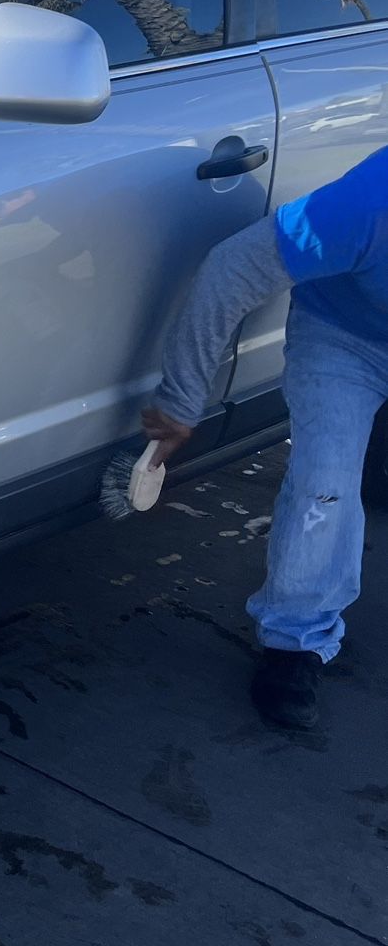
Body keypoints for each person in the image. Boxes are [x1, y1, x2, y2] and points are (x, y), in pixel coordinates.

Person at [143, 146, 388, 731]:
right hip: (345, 338)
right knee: (325, 482)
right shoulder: (369, 202)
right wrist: (182, 397)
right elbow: (233, 268)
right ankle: (295, 643)